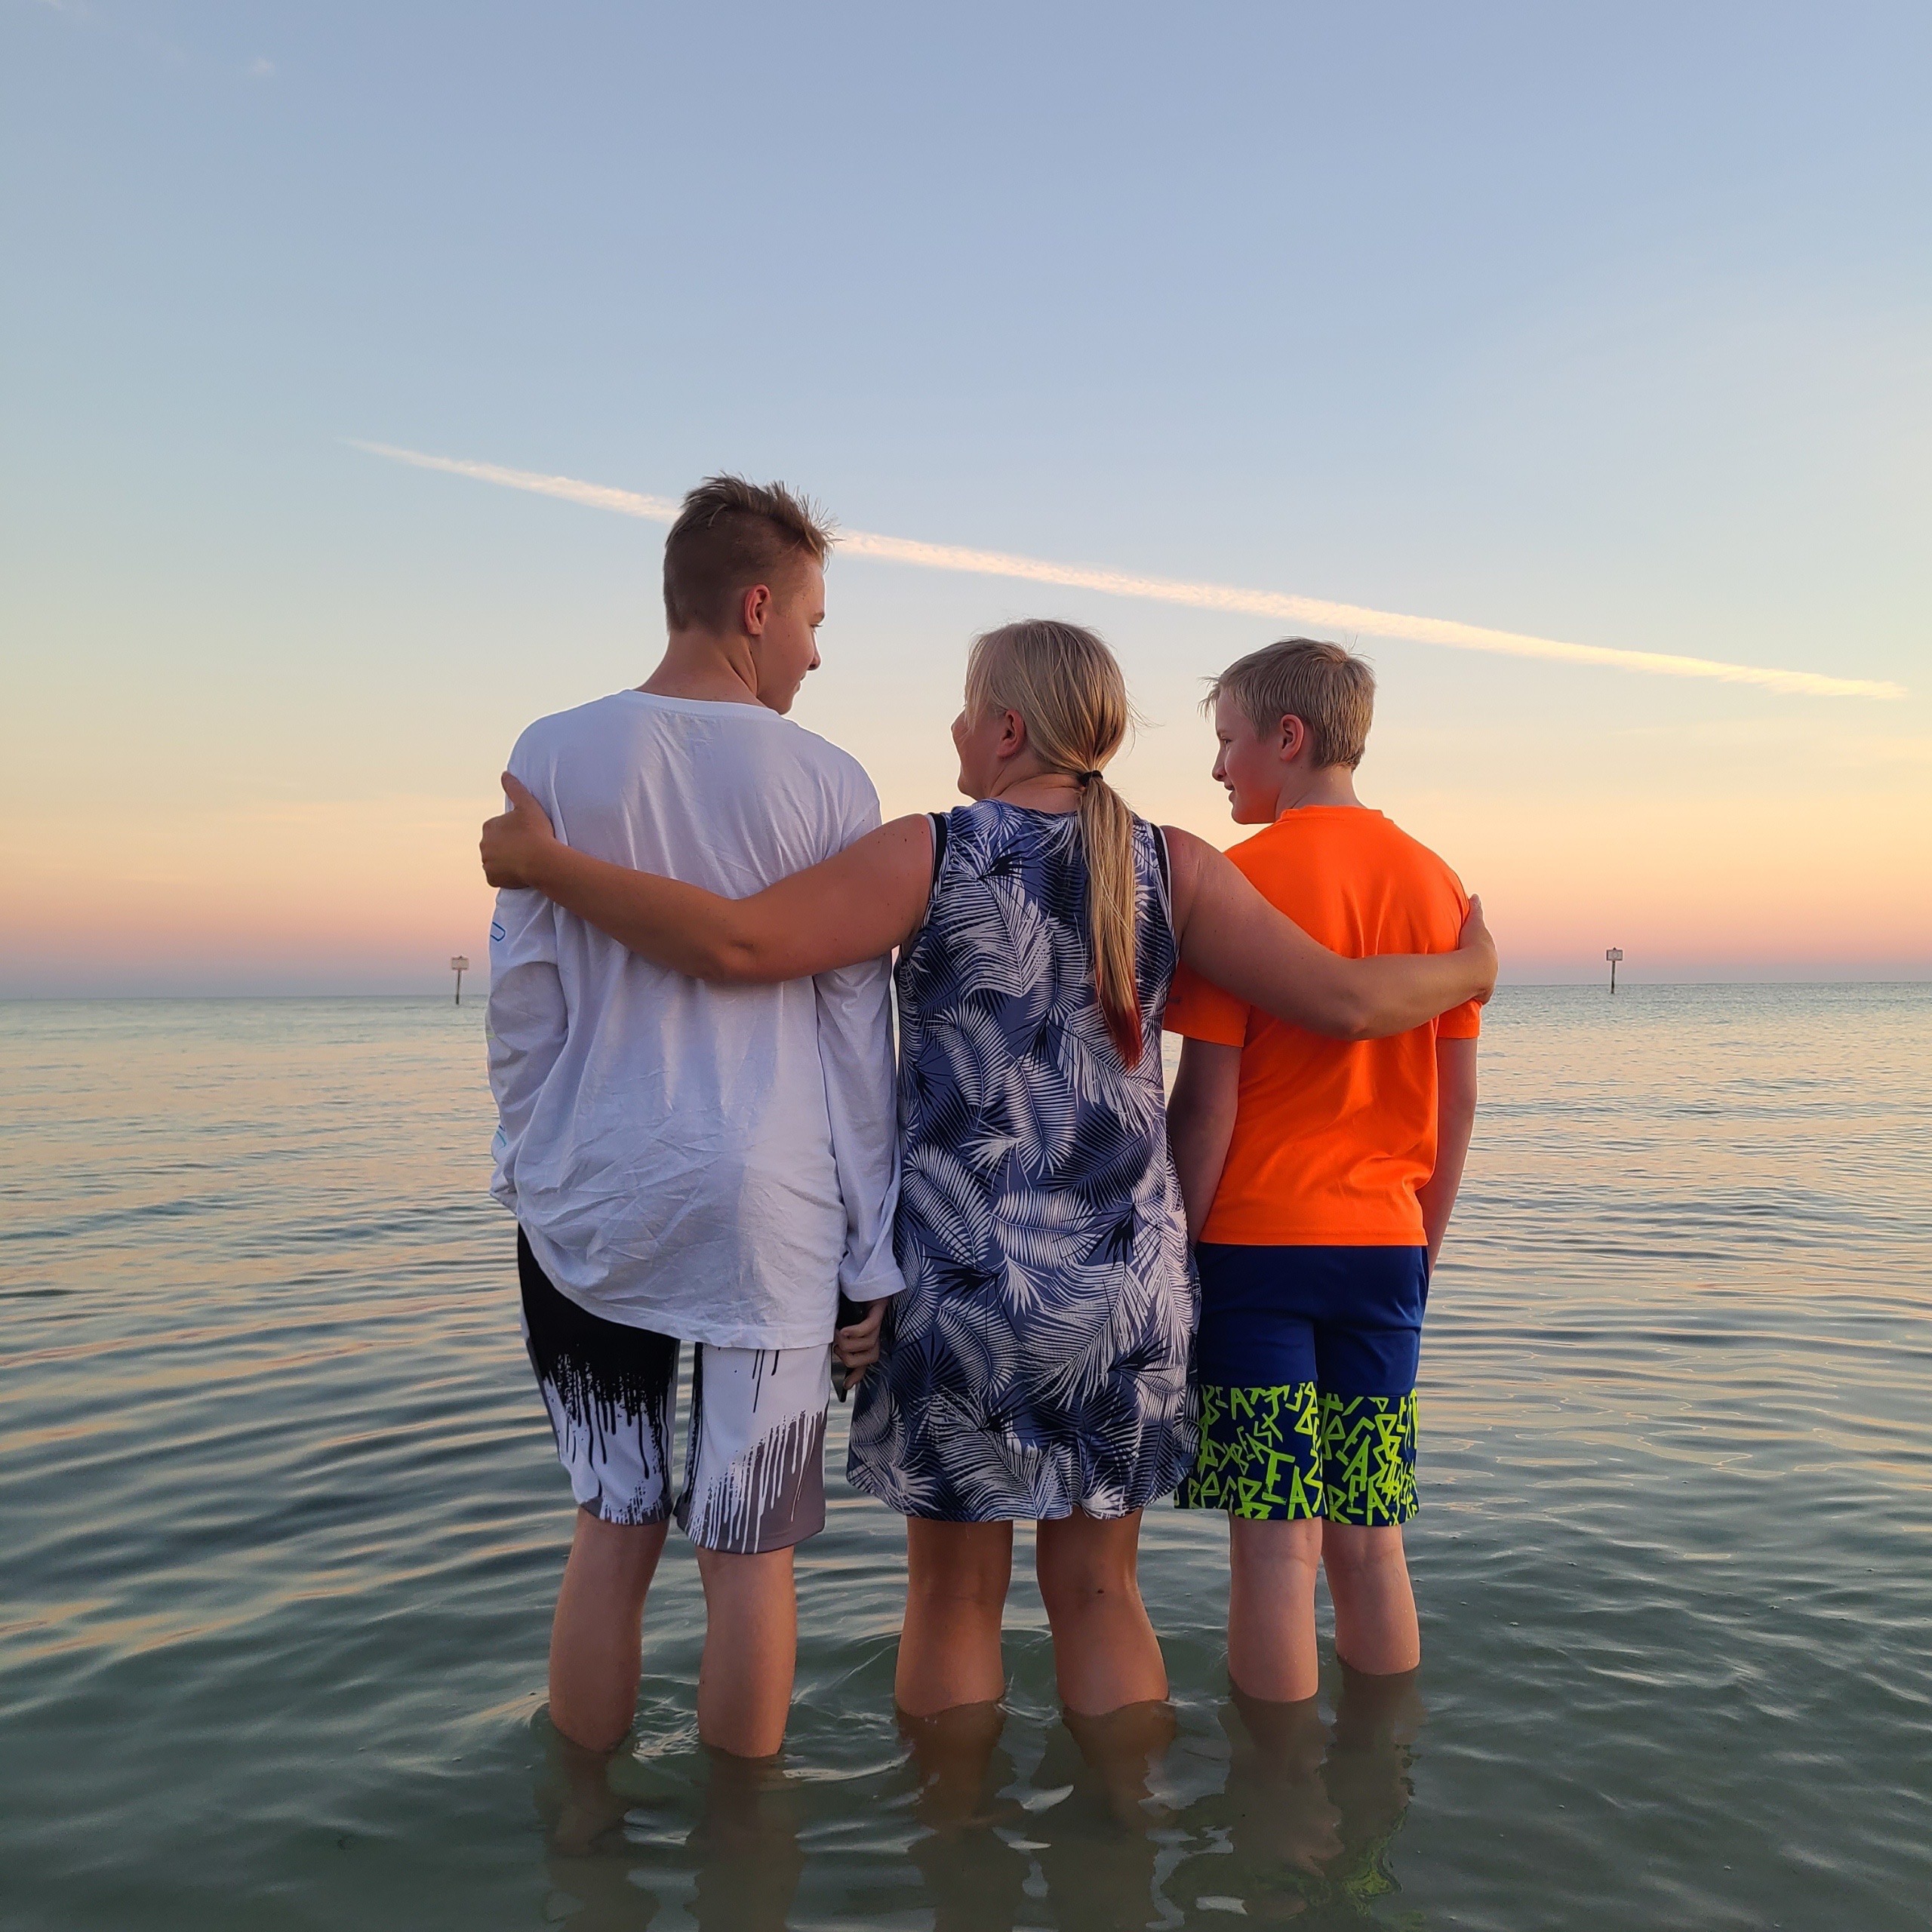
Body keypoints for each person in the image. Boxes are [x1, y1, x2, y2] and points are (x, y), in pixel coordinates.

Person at [480, 618, 1496, 1734]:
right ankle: (1127, 1826)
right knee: (1102, 1596)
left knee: (953, 1599)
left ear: (1008, 729)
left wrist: (548, 868)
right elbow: (1348, 1004)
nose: (955, 730)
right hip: (1123, 1294)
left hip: (962, 1287)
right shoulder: (1177, 865)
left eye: (967, 710)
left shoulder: (928, 853)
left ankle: (956, 1829)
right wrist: (1470, 966)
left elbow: (736, 945)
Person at [486, 475, 902, 1763]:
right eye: (814, 622)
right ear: (758, 608)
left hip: (591, 1198)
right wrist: (872, 1253)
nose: (817, 654)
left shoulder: (553, 754)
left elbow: (524, 1003)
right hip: (771, 1212)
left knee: (612, 1524)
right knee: (749, 1548)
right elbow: (856, 1044)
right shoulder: (831, 783)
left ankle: (586, 1832)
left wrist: (531, 1164)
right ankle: (745, 1845)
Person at [1164, 638, 1481, 1706]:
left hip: (1257, 1250)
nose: (1219, 769)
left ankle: (1274, 1790)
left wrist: (1177, 1254)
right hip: (1385, 1248)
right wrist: (1419, 1247)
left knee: (1272, 1546)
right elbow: (1455, 1101)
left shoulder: (1236, 884)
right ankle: (1379, 1775)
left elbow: (1207, 1103)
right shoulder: (1439, 887)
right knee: (1371, 1538)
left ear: (1287, 738)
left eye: (1228, 742)